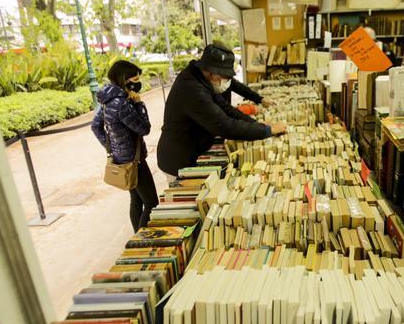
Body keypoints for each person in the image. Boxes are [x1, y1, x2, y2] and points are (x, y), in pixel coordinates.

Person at [157, 43, 287, 177]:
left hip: (194, 149)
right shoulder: (193, 88)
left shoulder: (202, 78)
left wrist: (257, 125)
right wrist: (267, 130)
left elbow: (226, 108)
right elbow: (225, 126)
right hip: (179, 159)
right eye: (225, 77)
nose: (227, 81)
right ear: (212, 72)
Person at [91, 60, 159, 231]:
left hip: (121, 158)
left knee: (136, 199)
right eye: (135, 80)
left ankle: (137, 234)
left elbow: (95, 126)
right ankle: (141, 239)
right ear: (125, 80)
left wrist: (113, 147)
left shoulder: (108, 100)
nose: (138, 84)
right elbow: (144, 129)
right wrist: (139, 104)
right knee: (151, 202)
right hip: (134, 160)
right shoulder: (122, 103)